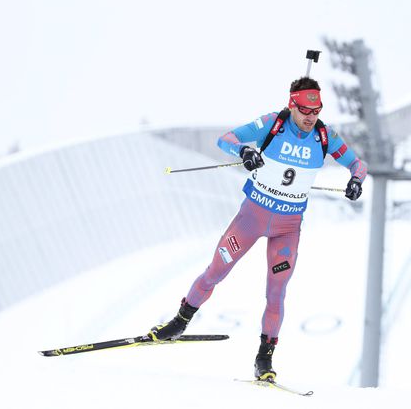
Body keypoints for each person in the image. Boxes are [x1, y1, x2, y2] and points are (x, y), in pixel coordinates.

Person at [148, 76, 367, 381]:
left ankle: (264, 360)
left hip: (287, 229)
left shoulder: (325, 136)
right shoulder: (272, 123)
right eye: (304, 110)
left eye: (316, 111)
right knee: (215, 272)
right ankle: (178, 323)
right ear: (292, 105)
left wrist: (356, 181)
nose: (310, 117)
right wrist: (244, 152)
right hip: (250, 220)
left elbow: (359, 165)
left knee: (276, 294)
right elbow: (225, 139)